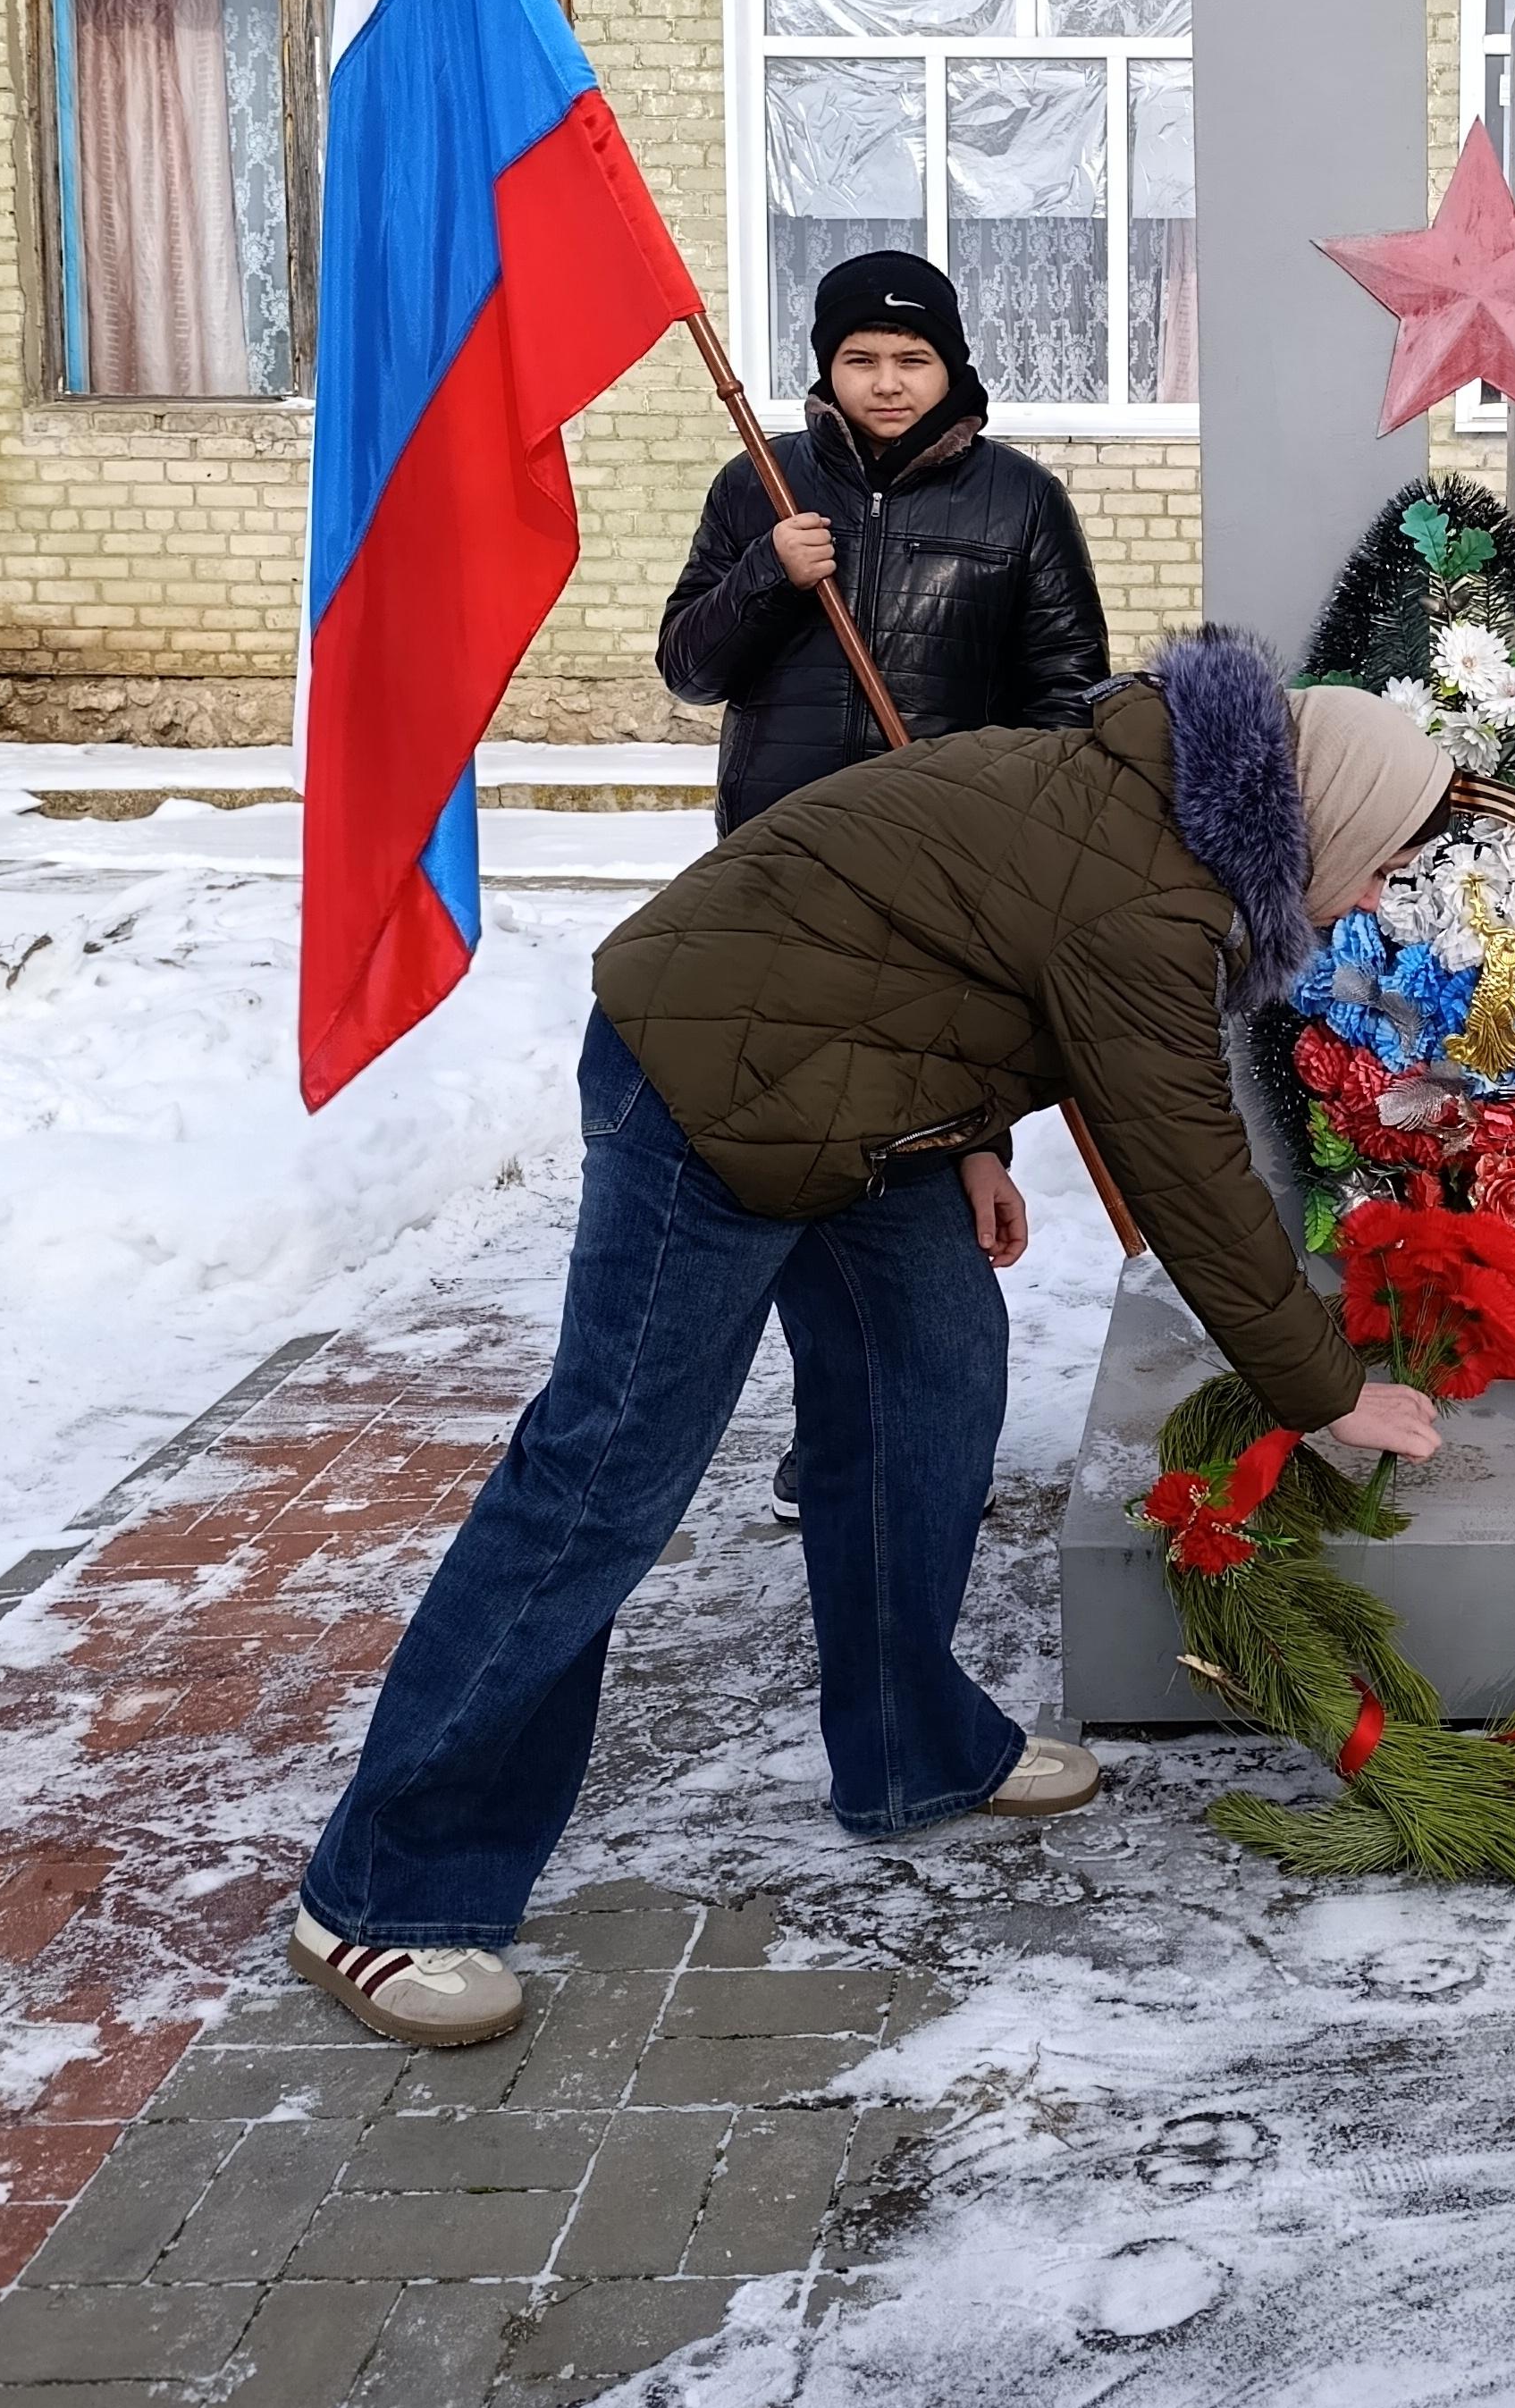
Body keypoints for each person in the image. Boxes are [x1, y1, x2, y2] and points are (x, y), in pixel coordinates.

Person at [288, 636, 1454, 2049]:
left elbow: (935, 944)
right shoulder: (1153, 891)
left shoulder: (1131, 807)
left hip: (858, 1094)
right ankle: (387, 1888)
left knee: (934, 1393)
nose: (1380, 892)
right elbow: (1183, 1165)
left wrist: (966, 1139)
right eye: (1385, 858)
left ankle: (909, 1753)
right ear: (1320, 817)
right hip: (709, 1088)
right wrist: (1324, 1389)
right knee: (605, 1477)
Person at [656, 250, 1109, 1524]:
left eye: (913, 359)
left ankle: (931, 1415)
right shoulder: (761, 489)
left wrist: (1011, 825)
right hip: (779, 875)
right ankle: (834, 1433)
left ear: (953, 366)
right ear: (827, 368)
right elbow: (688, 668)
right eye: (863, 359)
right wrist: (765, 577)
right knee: (803, 1146)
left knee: (924, 1125)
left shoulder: (1021, 503)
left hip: (937, 879)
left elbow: (1065, 697)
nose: (889, 381)